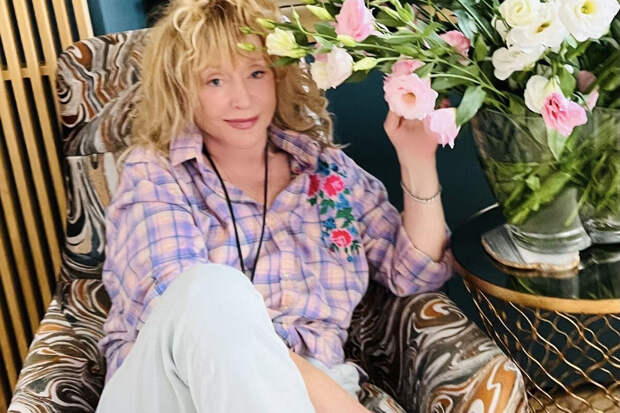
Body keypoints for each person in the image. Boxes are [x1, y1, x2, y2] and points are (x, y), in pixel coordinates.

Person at [95, 0, 453, 411]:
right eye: (215, 80)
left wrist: (417, 158)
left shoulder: (324, 171)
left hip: (312, 391)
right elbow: (197, 325)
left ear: (278, 76)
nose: (242, 99)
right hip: (174, 391)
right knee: (212, 290)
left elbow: (414, 273)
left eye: (256, 73)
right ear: (180, 90)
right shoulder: (157, 174)